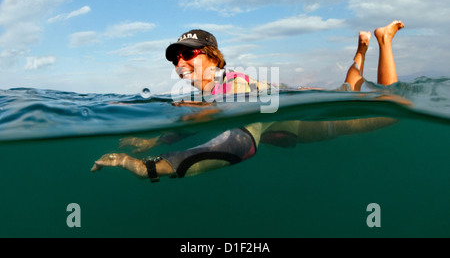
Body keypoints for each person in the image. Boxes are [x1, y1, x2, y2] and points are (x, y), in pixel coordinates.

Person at [91, 21, 405, 182]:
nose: (179, 62)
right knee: (348, 87)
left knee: (392, 109)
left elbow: (238, 144)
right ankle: (362, 47)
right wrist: (156, 138)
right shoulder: (209, 92)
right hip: (309, 100)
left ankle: (384, 40)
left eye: (188, 54)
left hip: (324, 119)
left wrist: (147, 167)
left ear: (212, 58)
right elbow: (201, 117)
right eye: (174, 57)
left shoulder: (236, 89)